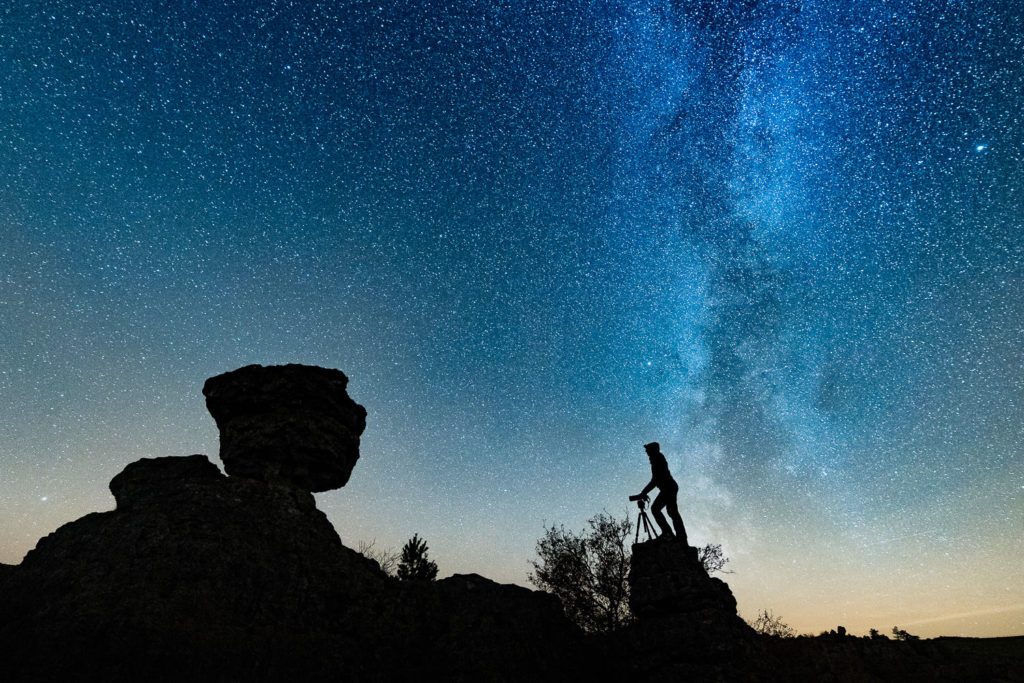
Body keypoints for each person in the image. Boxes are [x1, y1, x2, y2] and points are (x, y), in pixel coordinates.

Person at [635, 442, 688, 543]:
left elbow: (655, 480)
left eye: (648, 450)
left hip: (668, 488)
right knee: (672, 512)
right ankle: (678, 536)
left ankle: (669, 534)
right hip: (669, 487)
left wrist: (643, 492)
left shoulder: (657, 459)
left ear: (653, 450)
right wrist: (644, 492)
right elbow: (655, 480)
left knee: (656, 509)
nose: (646, 452)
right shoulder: (656, 458)